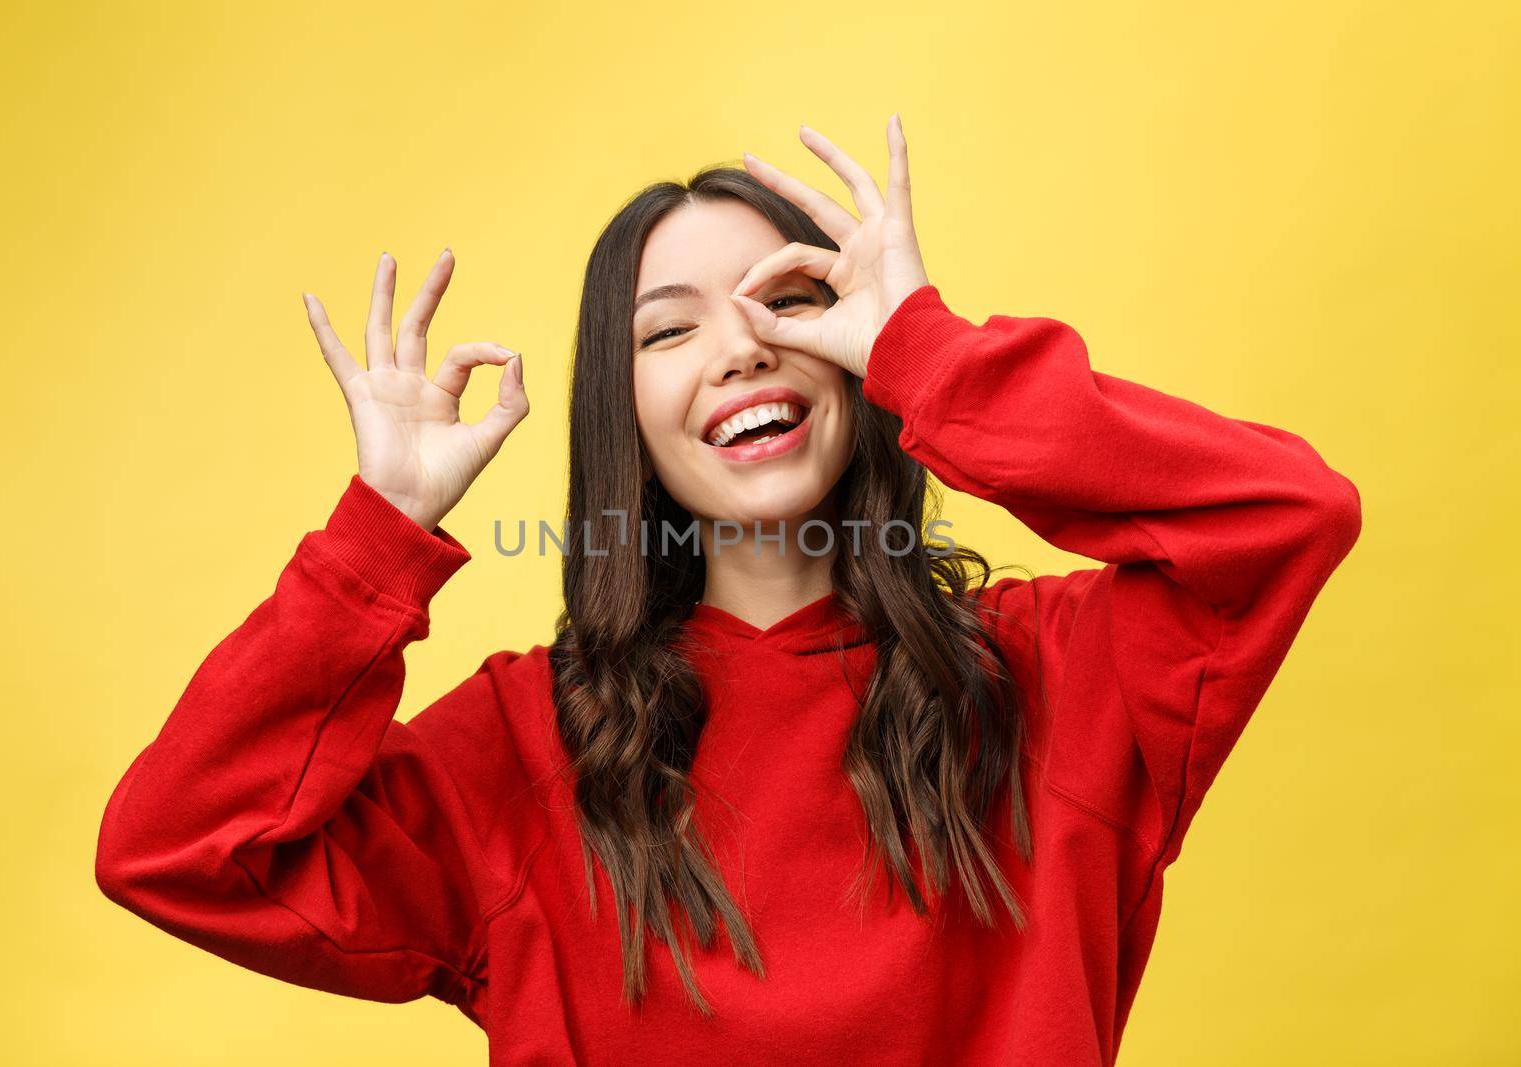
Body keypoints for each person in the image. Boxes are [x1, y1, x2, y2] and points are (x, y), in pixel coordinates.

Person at [94, 116, 1362, 1065]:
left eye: (789, 301)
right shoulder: (517, 751)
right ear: (622, 415)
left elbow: (1284, 514)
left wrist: (932, 351)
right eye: (666, 330)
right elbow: (177, 849)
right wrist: (382, 532)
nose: (742, 345)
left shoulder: (1059, 680)